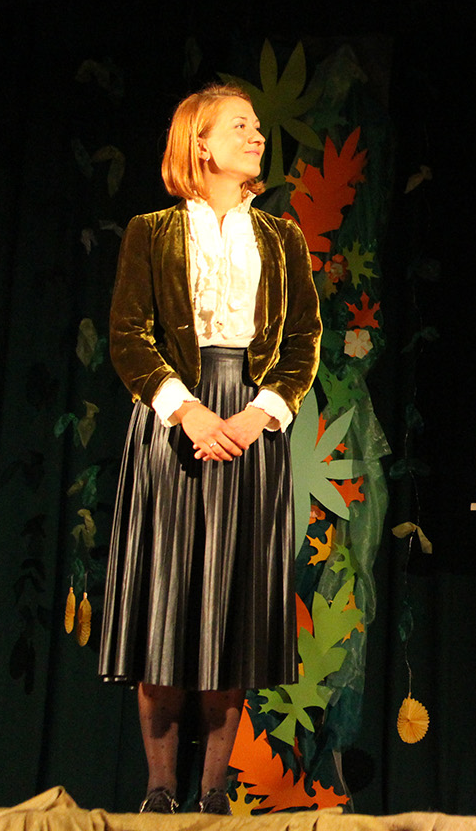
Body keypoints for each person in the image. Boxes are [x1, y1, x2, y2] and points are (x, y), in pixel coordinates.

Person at [97, 83, 321, 815]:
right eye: (241, 126)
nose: (257, 137)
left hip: (252, 425)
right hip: (173, 419)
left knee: (234, 608)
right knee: (165, 600)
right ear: (200, 142)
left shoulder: (282, 239)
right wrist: (185, 410)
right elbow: (129, 336)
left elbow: (302, 342)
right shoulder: (152, 231)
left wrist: (260, 416)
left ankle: (213, 796)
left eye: (258, 127)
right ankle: (160, 793)